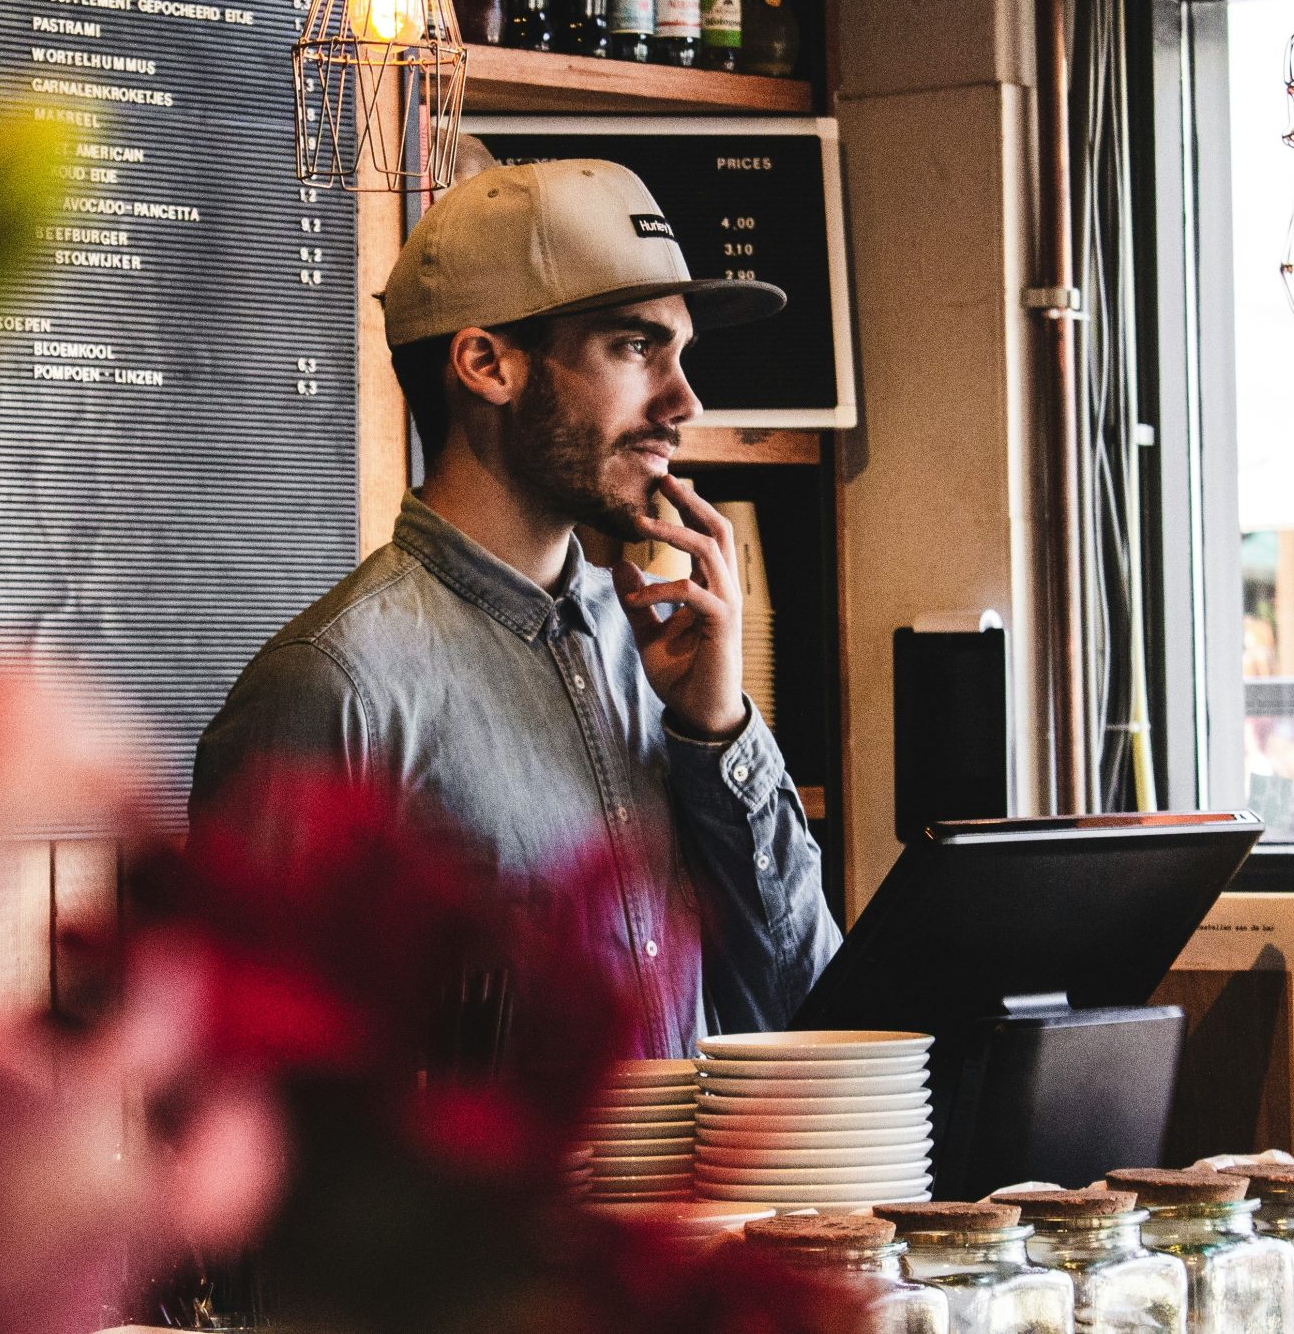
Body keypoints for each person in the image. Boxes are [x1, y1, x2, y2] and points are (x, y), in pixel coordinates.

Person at [193, 158, 839, 1057]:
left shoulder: (668, 663)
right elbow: (255, 1104)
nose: (684, 400)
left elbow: (807, 1013)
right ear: (486, 363)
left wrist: (717, 731)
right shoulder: (331, 689)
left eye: (681, 353)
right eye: (634, 346)